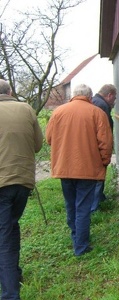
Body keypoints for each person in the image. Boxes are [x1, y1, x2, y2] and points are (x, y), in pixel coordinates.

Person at [45, 84, 113, 256]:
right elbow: (105, 143)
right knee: (83, 207)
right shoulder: (97, 113)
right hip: (88, 169)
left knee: (70, 204)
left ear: (73, 96)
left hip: (64, 168)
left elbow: (49, 139)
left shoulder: (58, 112)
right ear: (89, 97)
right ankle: (81, 246)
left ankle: (76, 236)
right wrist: (104, 162)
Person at [0, 79, 43, 299]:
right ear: (9, 92)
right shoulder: (26, 109)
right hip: (22, 182)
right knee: (10, 228)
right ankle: (14, 274)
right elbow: (37, 145)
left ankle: (9, 293)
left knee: (4, 236)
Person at [90, 84, 117, 213]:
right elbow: (103, 131)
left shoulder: (95, 102)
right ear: (109, 95)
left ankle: (99, 198)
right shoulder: (101, 106)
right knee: (98, 176)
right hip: (98, 147)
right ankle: (94, 207)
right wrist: (106, 151)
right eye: (114, 98)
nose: (114, 102)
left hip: (94, 146)